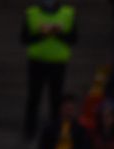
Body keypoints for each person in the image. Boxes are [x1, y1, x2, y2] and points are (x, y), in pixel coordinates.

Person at [22, 0, 77, 140]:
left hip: (58, 62)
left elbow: (73, 39)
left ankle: (55, 130)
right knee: (34, 96)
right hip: (37, 61)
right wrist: (42, 33)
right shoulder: (31, 13)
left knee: (56, 98)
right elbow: (24, 38)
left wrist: (56, 32)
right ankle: (30, 129)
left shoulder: (68, 13)